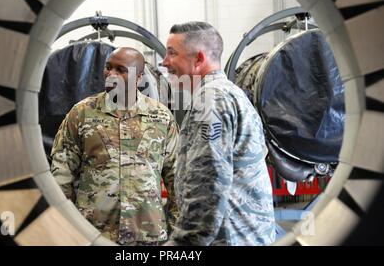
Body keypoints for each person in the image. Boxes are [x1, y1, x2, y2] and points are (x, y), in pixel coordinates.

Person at [50, 47, 179, 246]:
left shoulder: (161, 117)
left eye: (121, 70)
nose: (111, 74)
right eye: (108, 67)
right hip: (94, 233)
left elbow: (176, 177)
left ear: (138, 77)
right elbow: (62, 173)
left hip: (147, 234)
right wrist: (66, 226)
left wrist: (178, 233)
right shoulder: (82, 113)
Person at [162, 22, 276, 246]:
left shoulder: (211, 100)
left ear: (199, 59)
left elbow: (208, 186)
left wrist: (180, 246)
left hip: (229, 238)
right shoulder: (228, 93)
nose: (165, 62)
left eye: (172, 53)